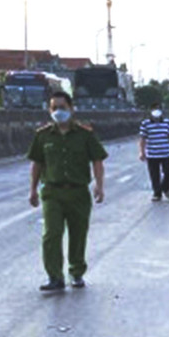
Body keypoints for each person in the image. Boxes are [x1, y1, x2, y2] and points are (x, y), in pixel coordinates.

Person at [27, 91, 107, 291]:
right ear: (49, 110)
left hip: (78, 192)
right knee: (52, 234)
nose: (58, 112)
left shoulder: (85, 135)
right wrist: (33, 190)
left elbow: (97, 160)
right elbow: (37, 163)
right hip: (52, 192)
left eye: (62, 107)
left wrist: (99, 185)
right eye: (54, 108)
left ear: (71, 109)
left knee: (78, 234)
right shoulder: (42, 135)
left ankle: (76, 272)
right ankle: (55, 276)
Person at [139, 106, 169, 201]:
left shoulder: (167, 122)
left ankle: (165, 188)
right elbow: (142, 139)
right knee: (154, 175)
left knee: (168, 172)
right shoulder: (145, 124)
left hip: (165, 153)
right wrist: (142, 152)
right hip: (152, 153)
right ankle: (157, 193)